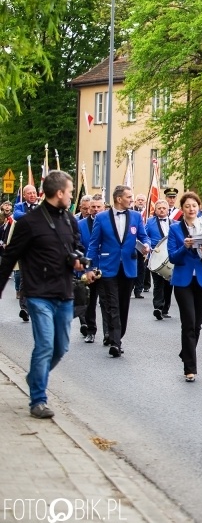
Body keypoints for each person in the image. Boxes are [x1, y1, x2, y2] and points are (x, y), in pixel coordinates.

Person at [0, 171, 92, 419]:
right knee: (44, 345)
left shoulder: (69, 220)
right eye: (70, 192)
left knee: (61, 347)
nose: (72, 196)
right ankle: (38, 400)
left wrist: (80, 261)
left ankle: (34, 377)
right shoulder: (29, 223)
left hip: (64, 292)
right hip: (38, 294)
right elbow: (9, 258)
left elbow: (77, 247)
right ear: (59, 193)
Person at [85, 185, 151, 358]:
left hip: (129, 266)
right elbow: (93, 244)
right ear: (118, 198)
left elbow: (144, 237)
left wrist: (146, 246)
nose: (131, 199)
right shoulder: (101, 218)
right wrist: (90, 267)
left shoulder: (136, 217)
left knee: (123, 305)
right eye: (129, 196)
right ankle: (116, 342)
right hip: (109, 266)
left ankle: (117, 335)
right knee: (112, 303)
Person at [167, 192, 202, 381]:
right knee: (188, 323)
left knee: (197, 324)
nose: (191, 209)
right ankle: (190, 368)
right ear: (182, 209)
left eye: (194, 206)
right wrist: (185, 246)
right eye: (187, 206)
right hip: (183, 281)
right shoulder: (175, 229)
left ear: (199, 208)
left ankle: (186, 352)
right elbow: (173, 257)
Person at [76, 194, 107, 343]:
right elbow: (79, 247)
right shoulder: (81, 224)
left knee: (107, 303)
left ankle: (109, 333)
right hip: (89, 269)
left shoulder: (110, 222)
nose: (95, 210)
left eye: (98, 207)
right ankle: (90, 331)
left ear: (104, 207)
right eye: (92, 207)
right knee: (90, 302)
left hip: (107, 268)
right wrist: (85, 267)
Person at [12, 184, 39, 322]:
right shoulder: (20, 206)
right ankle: (24, 308)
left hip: (40, 251)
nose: (33, 195)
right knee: (24, 278)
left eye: (34, 193)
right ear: (24, 195)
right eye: (30, 193)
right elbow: (16, 215)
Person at [144, 199, 175, 320]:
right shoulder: (150, 222)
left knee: (168, 283)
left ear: (168, 210)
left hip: (171, 258)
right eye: (159, 208)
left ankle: (165, 309)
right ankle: (158, 307)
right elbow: (145, 236)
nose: (162, 210)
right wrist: (149, 246)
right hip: (155, 257)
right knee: (158, 283)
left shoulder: (175, 223)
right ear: (155, 210)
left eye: (164, 208)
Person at [132, 193, 151, 296]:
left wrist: (146, 243)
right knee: (133, 266)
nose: (140, 201)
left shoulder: (149, 213)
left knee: (142, 267)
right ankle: (131, 287)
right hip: (132, 243)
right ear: (135, 202)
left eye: (142, 200)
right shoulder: (132, 212)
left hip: (142, 244)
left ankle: (139, 290)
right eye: (138, 200)